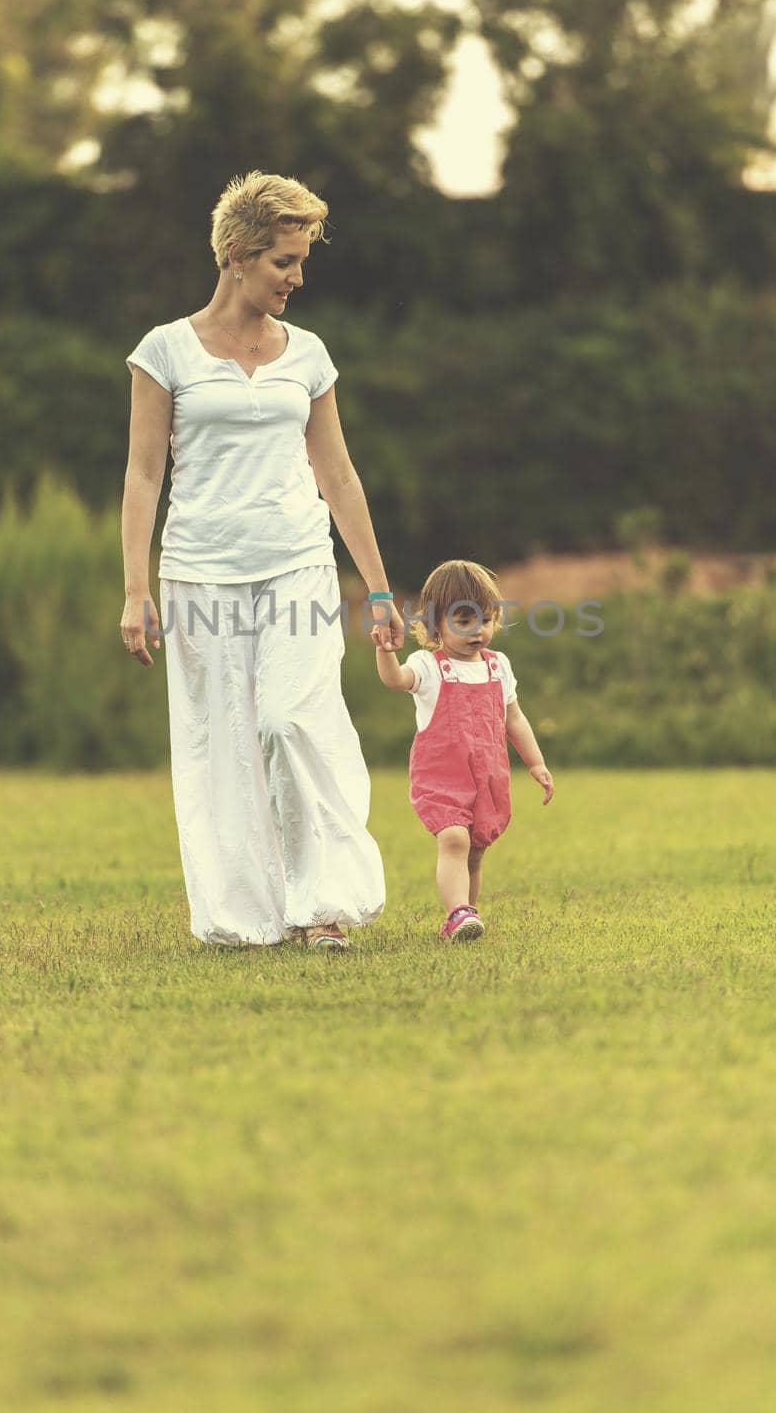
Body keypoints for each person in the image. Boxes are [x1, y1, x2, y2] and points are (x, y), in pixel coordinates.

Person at [119, 170, 404, 951]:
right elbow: (144, 475)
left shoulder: (308, 355)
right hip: (200, 570)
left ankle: (325, 906)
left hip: (297, 563)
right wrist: (135, 587)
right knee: (225, 745)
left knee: (292, 720)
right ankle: (250, 917)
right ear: (238, 255)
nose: (297, 278)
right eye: (285, 261)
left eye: (301, 260)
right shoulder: (164, 353)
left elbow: (338, 474)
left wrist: (378, 589)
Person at [375, 559, 554, 942]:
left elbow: (515, 719)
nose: (478, 631)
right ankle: (457, 912)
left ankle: (465, 918)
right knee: (454, 839)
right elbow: (395, 680)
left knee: (474, 851)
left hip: (487, 777)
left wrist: (535, 762)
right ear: (436, 623)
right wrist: (385, 652)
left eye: (485, 620)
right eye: (464, 621)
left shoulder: (498, 666)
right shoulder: (428, 666)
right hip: (442, 778)